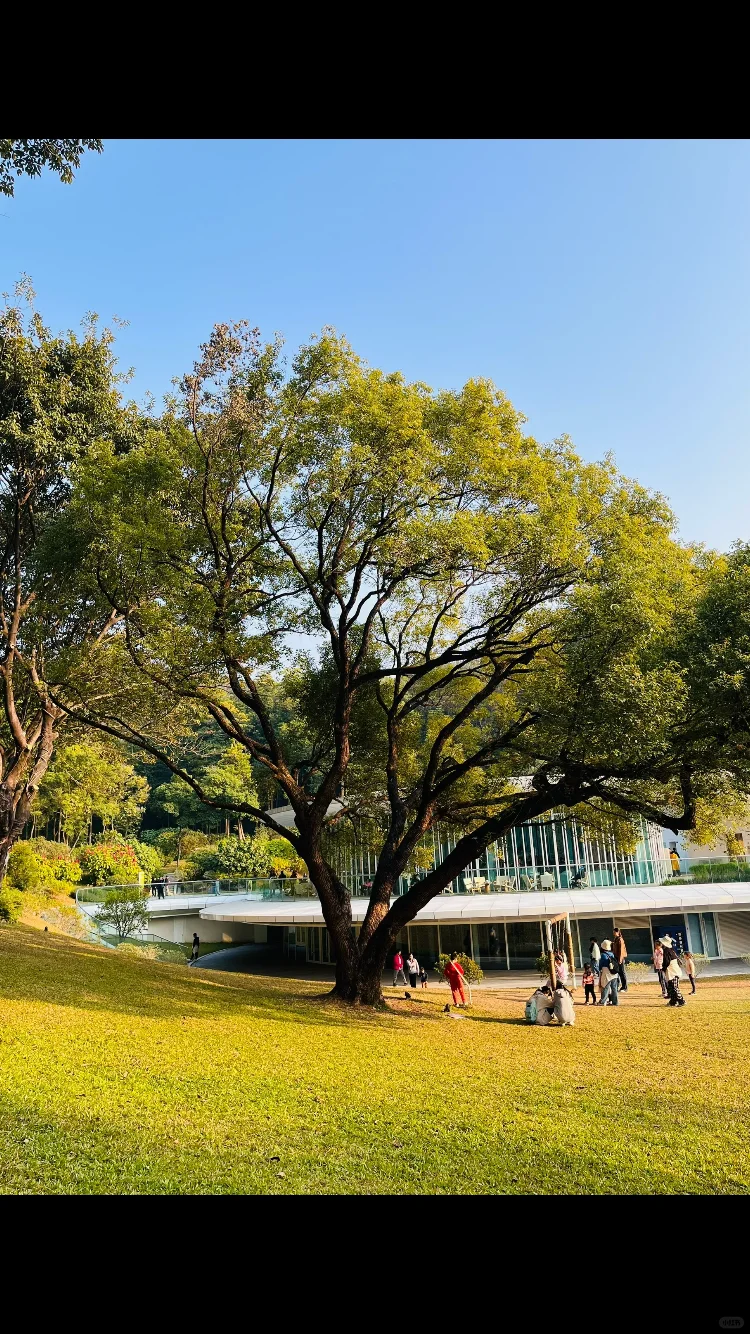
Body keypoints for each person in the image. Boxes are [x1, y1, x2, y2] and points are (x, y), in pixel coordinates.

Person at [660, 936, 686, 1006]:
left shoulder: (667, 951)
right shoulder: (670, 950)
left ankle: (681, 1001)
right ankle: (673, 1001)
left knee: (674, 987)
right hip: (672, 970)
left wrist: (663, 968)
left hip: (673, 971)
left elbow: (667, 962)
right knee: (671, 987)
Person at [597, 939, 620, 1005]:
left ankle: (603, 1001)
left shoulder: (603, 955)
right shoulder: (612, 954)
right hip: (614, 973)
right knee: (614, 988)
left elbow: (600, 965)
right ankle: (615, 1002)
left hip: (606, 972)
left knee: (605, 987)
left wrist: (599, 971)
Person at [612, 927, 629, 992]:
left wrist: (620, 959)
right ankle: (621, 986)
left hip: (620, 958)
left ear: (618, 932)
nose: (614, 933)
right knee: (619, 972)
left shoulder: (620, 939)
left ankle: (625, 987)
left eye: (615, 932)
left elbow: (621, 950)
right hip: (616, 957)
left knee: (622, 972)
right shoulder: (616, 939)